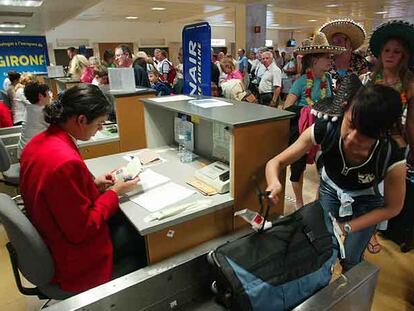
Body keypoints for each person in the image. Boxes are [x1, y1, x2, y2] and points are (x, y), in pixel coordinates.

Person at [20, 84, 145, 293]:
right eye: (99, 124)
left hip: (50, 232)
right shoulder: (64, 161)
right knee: (139, 236)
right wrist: (114, 192)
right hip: (73, 256)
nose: (100, 130)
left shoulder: (39, 142)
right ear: (81, 120)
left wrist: (93, 185)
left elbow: (57, 196)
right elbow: (82, 230)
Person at [266, 84, 406, 271]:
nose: (352, 138)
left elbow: (392, 208)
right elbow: (276, 162)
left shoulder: (391, 157)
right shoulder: (326, 129)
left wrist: (347, 227)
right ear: (346, 109)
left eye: (366, 135)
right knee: (321, 246)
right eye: (351, 124)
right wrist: (274, 183)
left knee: (350, 258)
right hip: (330, 189)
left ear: (382, 133)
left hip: (367, 202)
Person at [360, 20, 414, 253]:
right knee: (367, 187)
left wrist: (413, 149)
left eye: (397, 51)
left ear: (404, 55)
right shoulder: (367, 80)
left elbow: (411, 120)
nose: (391, 55)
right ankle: (366, 229)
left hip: (395, 143)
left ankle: (373, 231)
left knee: (385, 191)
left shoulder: (410, 84)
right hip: (369, 141)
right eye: (387, 50)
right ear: (380, 54)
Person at [283, 32, 344, 209]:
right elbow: (287, 108)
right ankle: (299, 204)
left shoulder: (329, 80)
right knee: (298, 167)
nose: (330, 60)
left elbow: (331, 104)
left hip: (323, 131)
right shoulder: (302, 81)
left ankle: (319, 202)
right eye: (327, 57)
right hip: (303, 132)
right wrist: (307, 112)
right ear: (315, 60)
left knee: (325, 167)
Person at [319, 19, 368, 88]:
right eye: (333, 43)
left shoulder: (359, 61)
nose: (335, 45)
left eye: (339, 41)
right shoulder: (327, 60)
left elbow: (366, 83)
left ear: (348, 43)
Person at [17, 82, 51, 159]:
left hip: (22, 154)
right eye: (48, 94)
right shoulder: (43, 112)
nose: (50, 96)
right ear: (40, 96)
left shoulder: (29, 108)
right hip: (32, 157)